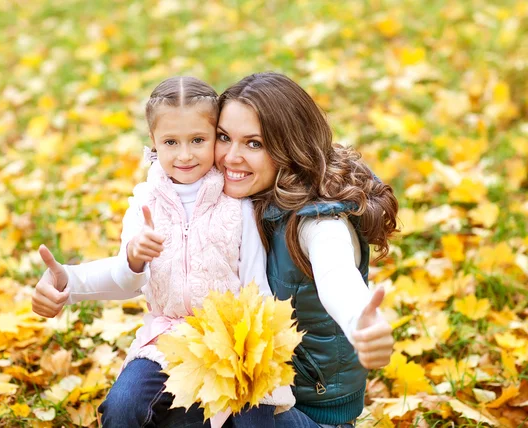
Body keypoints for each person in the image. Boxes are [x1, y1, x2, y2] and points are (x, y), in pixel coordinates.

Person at [31, 76, 293, 428]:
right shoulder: (144, 203)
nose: (185, 155)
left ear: (215, 137)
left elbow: (255, 281)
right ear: (153, 142)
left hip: (231, 345)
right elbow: (127, 281)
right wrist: (132, 258)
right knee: (122, 407)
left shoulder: (236, 202)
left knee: (250, 423)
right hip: (165, 338)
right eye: (171, 142)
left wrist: (260, 358)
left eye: (198, 140)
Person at [158, 72, 398, 428]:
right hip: (249, 390)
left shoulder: (318, 221)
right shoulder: (239, 196)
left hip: (305, 411)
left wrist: (360, 319)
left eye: (254, 143)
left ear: (289, 146)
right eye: (224, 138)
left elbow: (336, 276)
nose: (231, 157)